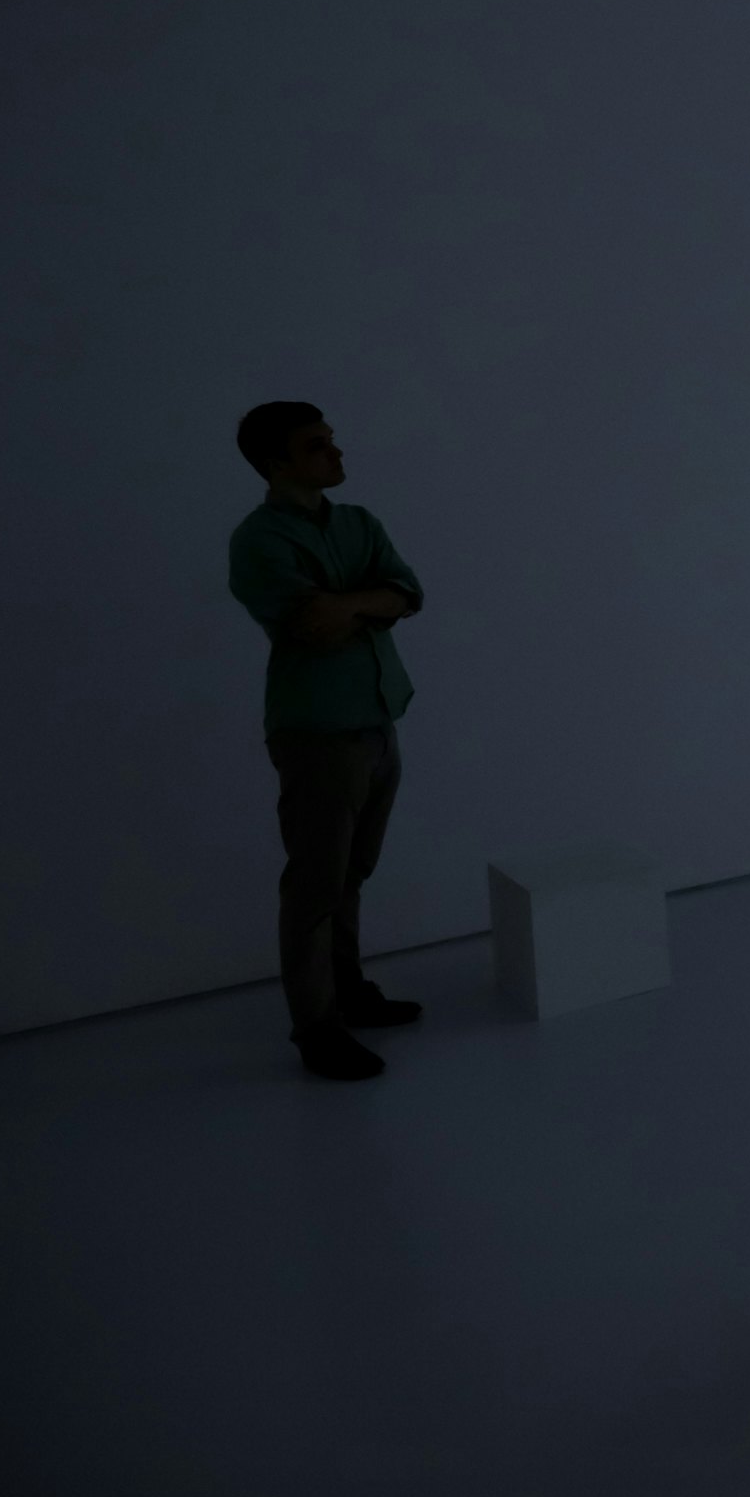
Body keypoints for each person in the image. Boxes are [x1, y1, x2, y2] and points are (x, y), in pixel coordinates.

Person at [227, 402, 427, 1081]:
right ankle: (316, 1029)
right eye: (318, 447)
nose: (337, 455)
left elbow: (409, 591)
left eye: (332, 441)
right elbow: (307, 628)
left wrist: (347, 603)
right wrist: (368, 603)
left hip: (376, 719)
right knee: (315, 885)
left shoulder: (358, 523)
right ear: (276, 463)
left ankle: (348, 991)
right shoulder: (259, 541)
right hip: (317, 732)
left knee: (352, 873)